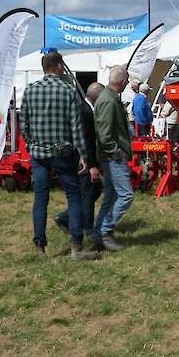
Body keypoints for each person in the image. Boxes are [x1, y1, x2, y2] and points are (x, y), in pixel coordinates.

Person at [20, 52, 97, 260]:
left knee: (40, 200)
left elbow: (23, 124)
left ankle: (40, 246)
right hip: (64, 152)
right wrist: (83, 155)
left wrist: (31, 143)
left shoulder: (30, 90)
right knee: (74, 197)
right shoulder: (68, 91)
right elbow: (76, 127)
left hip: (39, 154)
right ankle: (76, 247)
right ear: (59, 66)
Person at [54, 83, 104, 242]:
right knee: (88, 193)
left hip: (82, 159)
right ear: (97, 96)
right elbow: (86, 141)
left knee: (95, 189)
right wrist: (91, 165)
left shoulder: (84, 108)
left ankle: (67, 217)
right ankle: (87, 228)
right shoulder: (86, 112)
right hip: (83, 161)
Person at [92, 66, 134, 252]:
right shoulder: (109, 101)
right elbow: (105, 134)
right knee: (125, 195)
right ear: (123, 82)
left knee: (110, 196)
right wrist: (117, 153)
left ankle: (98, 233)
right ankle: (104, 231)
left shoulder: (109, 98)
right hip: (112, 157)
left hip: (109, 156)